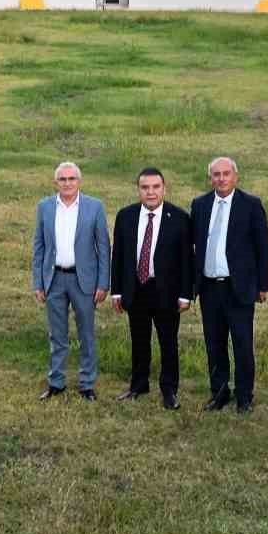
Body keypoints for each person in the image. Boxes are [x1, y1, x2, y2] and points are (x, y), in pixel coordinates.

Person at [190, 157, 268, 414]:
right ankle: (219, 392)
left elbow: (263, 246)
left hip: (240, 288)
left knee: (242, 344)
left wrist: (262, 284)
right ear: (210, 177)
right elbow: (193, 246)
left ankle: (244, 396)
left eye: (226, 174)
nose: (221, 178)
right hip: (210, 287)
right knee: (214, 343)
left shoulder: (250, 205)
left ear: (235, 176)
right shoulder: (200, 205)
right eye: (216, 174)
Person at [110, 167, 194, 410]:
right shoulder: (125, 216)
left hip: (165, 290)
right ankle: (138, 385)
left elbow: (187, 260)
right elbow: (119, 256)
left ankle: (169, 390)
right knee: (139, 339)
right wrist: (117, 291)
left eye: (155, 187)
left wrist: (185, 294)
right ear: (139, 190)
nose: (150, 192)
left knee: (168, 342)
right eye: (145, 187)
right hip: (135, 287)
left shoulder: (178, 218)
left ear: (164, 189)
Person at [31, 161, 109, 400]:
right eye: (62, 179)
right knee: (57, 334)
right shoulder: (44, 207)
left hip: (83, 280)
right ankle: (56, 382)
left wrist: (103, 283)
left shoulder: (94, 207)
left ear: (79, 181)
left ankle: (87, 384)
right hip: (54, 279)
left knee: (86, 333)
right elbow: (39, 246)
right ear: (56, 182)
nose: (67, 183)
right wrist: (38, 282)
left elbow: (104, 247)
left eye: (71, 179)